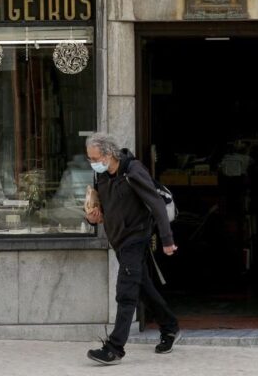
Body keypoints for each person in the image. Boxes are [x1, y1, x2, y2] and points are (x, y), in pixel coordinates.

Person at [84, 132, 180, 365]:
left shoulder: (133, 171)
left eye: (94, 158)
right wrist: (93, 218)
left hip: (135, 238)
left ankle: (114, 348)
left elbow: (156, 204)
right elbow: (102, 209)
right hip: (118, 240)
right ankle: (170, 327)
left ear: (108, 154)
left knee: (126, 292)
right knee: (143, 287)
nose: (92, 163)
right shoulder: (102, 176)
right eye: (89, 159)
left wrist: (167, 240)